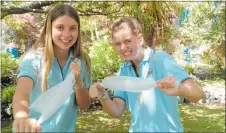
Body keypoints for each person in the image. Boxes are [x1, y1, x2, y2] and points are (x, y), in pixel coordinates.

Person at [89, 17, 204, 132]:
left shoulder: (160, 59)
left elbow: (198, 93)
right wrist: (103, 95)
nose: (123, 48)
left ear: (139, 38)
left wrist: (181, 89)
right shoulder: (124, 70)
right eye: (117, 44)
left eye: (127, 41)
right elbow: (117, 111)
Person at [12, 4, 91, 132]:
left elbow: (85, 106)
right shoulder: (34, 59)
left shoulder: (82, 61)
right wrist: (22, 116)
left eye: (72, 28)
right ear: (50, 29)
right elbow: (22, 90)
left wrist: (77, 81)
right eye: (60, 27)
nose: (66, 34)